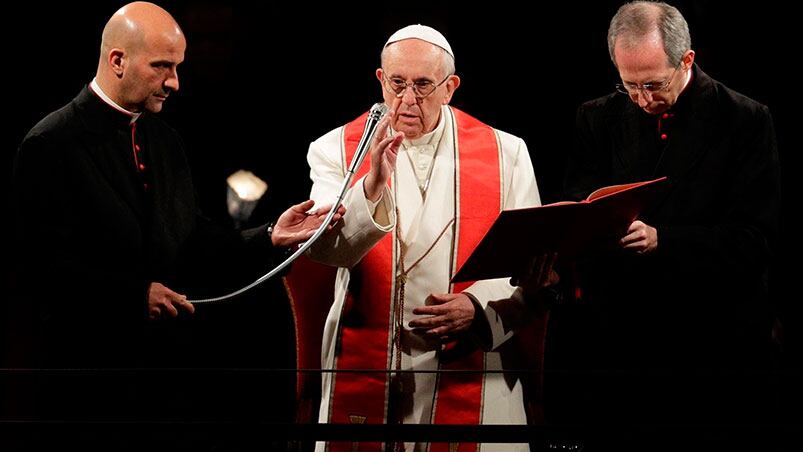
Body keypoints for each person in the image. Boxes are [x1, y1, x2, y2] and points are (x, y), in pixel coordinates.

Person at [7, 1, 342, 425]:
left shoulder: (163, 140)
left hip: (164, 387)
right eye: (162, 67)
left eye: (177, 67)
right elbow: (40, 271)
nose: (175, 82)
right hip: (85, 389)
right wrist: (132, 297)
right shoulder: (50, 144)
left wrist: (270, 235)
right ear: (117, 61)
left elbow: (192, 240)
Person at [303, 24, 557, 451]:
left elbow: (530, 261)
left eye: (423, 85)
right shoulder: (334, 149)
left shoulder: (507, 153)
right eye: (397, 84)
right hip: (367, 359)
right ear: (381, 80)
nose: (407, 100)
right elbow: (329, 250)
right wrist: (372, 186)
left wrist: (477, 308)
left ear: (450, 87)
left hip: (473, 359)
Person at [549, 0, 781, 434]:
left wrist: (663, 241)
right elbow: (577, 205)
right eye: (629, 86)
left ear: (687, 59)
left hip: (713, 343)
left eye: (654, 84)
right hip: (619, 341)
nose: (642, 99)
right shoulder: (596, 117)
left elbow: (756, 238)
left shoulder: (744, 120)